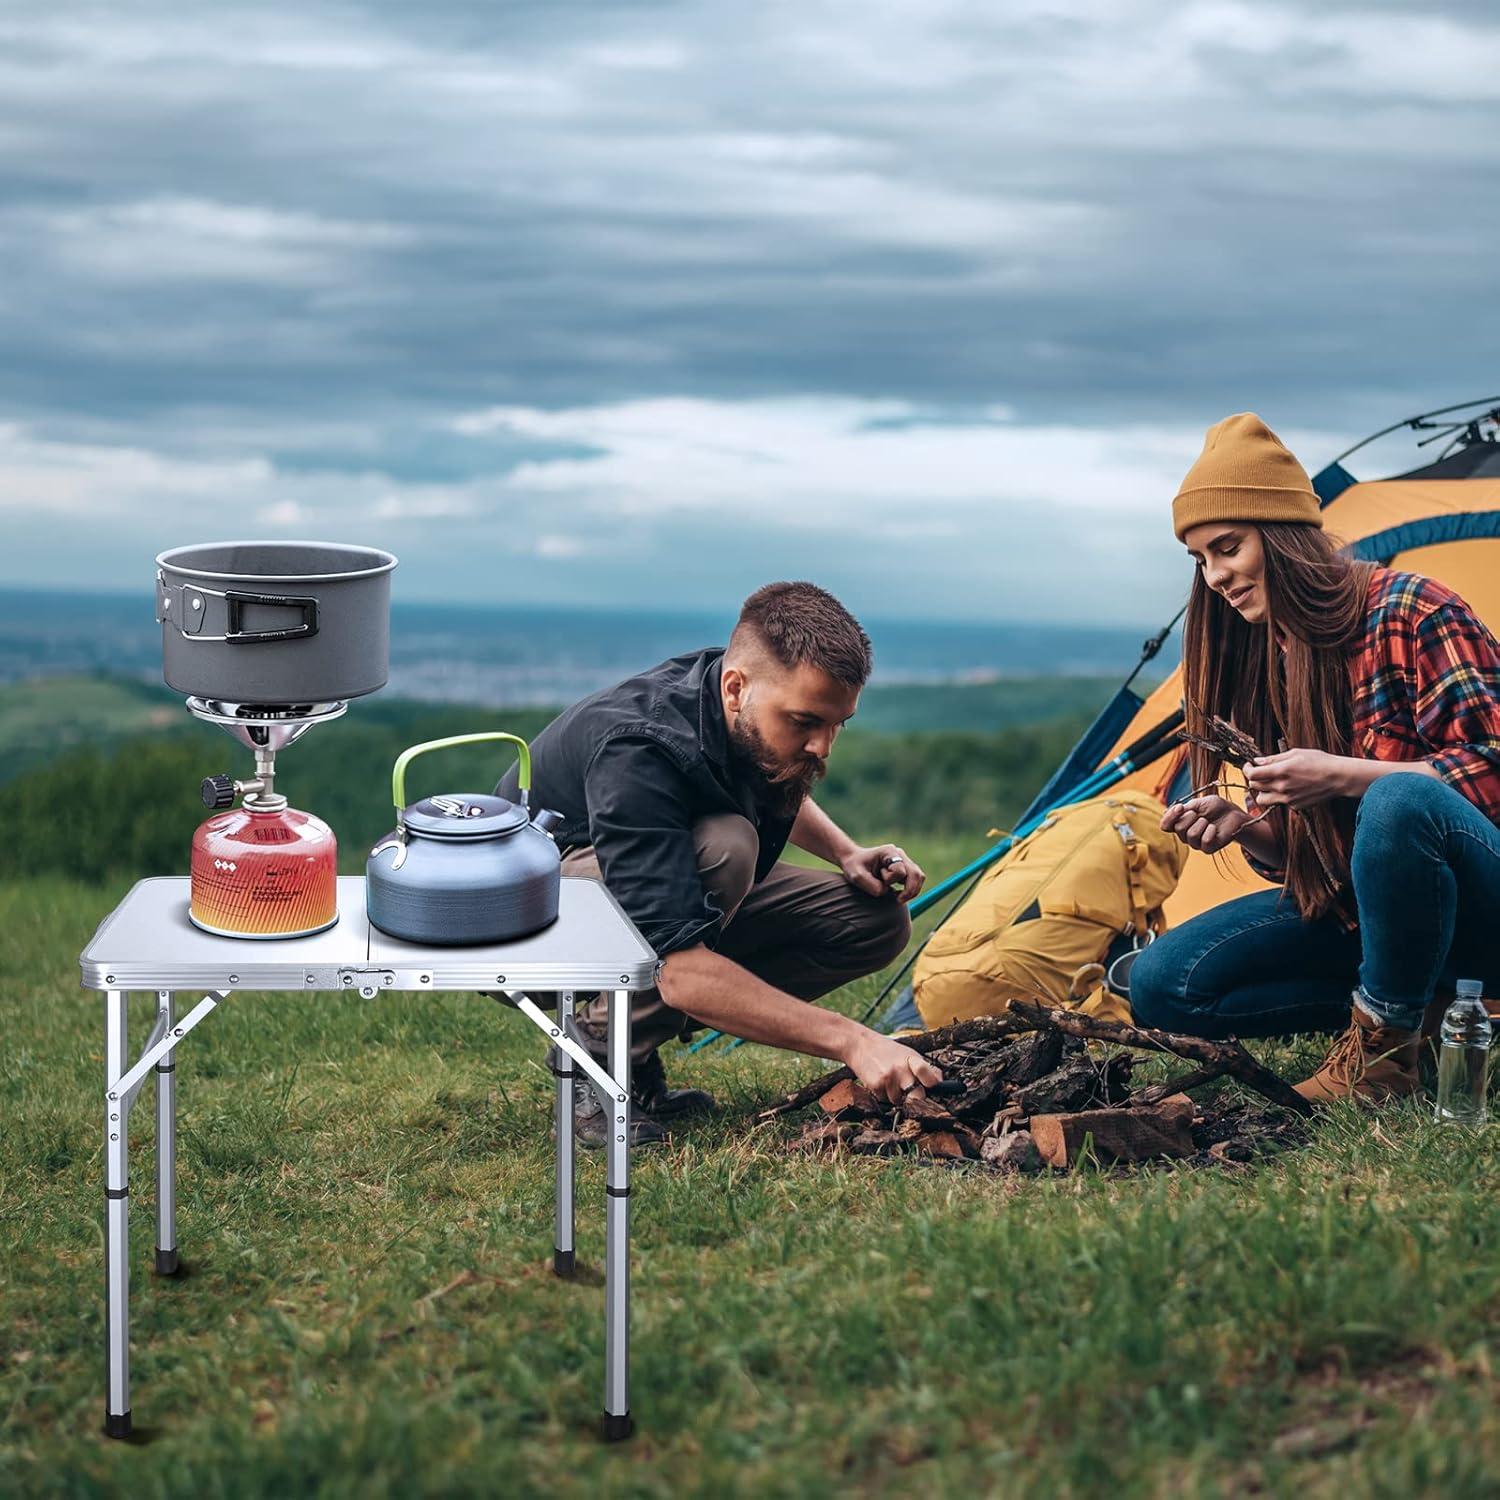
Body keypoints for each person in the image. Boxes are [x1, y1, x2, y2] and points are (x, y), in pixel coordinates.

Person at [1129, 412, 1500, 1103]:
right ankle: (1422, 1012)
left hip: (1488, 910)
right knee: (1163, 984)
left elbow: (1490, 771)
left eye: (1228, 548)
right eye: (1200, 559)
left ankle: (1384, 1051)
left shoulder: (1415, 610)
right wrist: (1248, 824)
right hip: (1368, 918)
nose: (1214, 576)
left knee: (1398, 800)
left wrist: (1340, 774)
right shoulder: (1270, 655)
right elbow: (1311, 849)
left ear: (1281, 535)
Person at [497, 581, 942, 1144]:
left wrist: (846, 852)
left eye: (837, 725)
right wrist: (854, 1040)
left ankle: (628, 1039)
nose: (823, 747)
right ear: (737, 688)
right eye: (806, 721)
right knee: (730, 849)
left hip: (648, 882)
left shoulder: (742, 704)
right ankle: (594, 1054)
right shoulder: (640, 746)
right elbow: (678, 969)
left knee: (872, 923)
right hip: (532, 909)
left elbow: (776, 776)